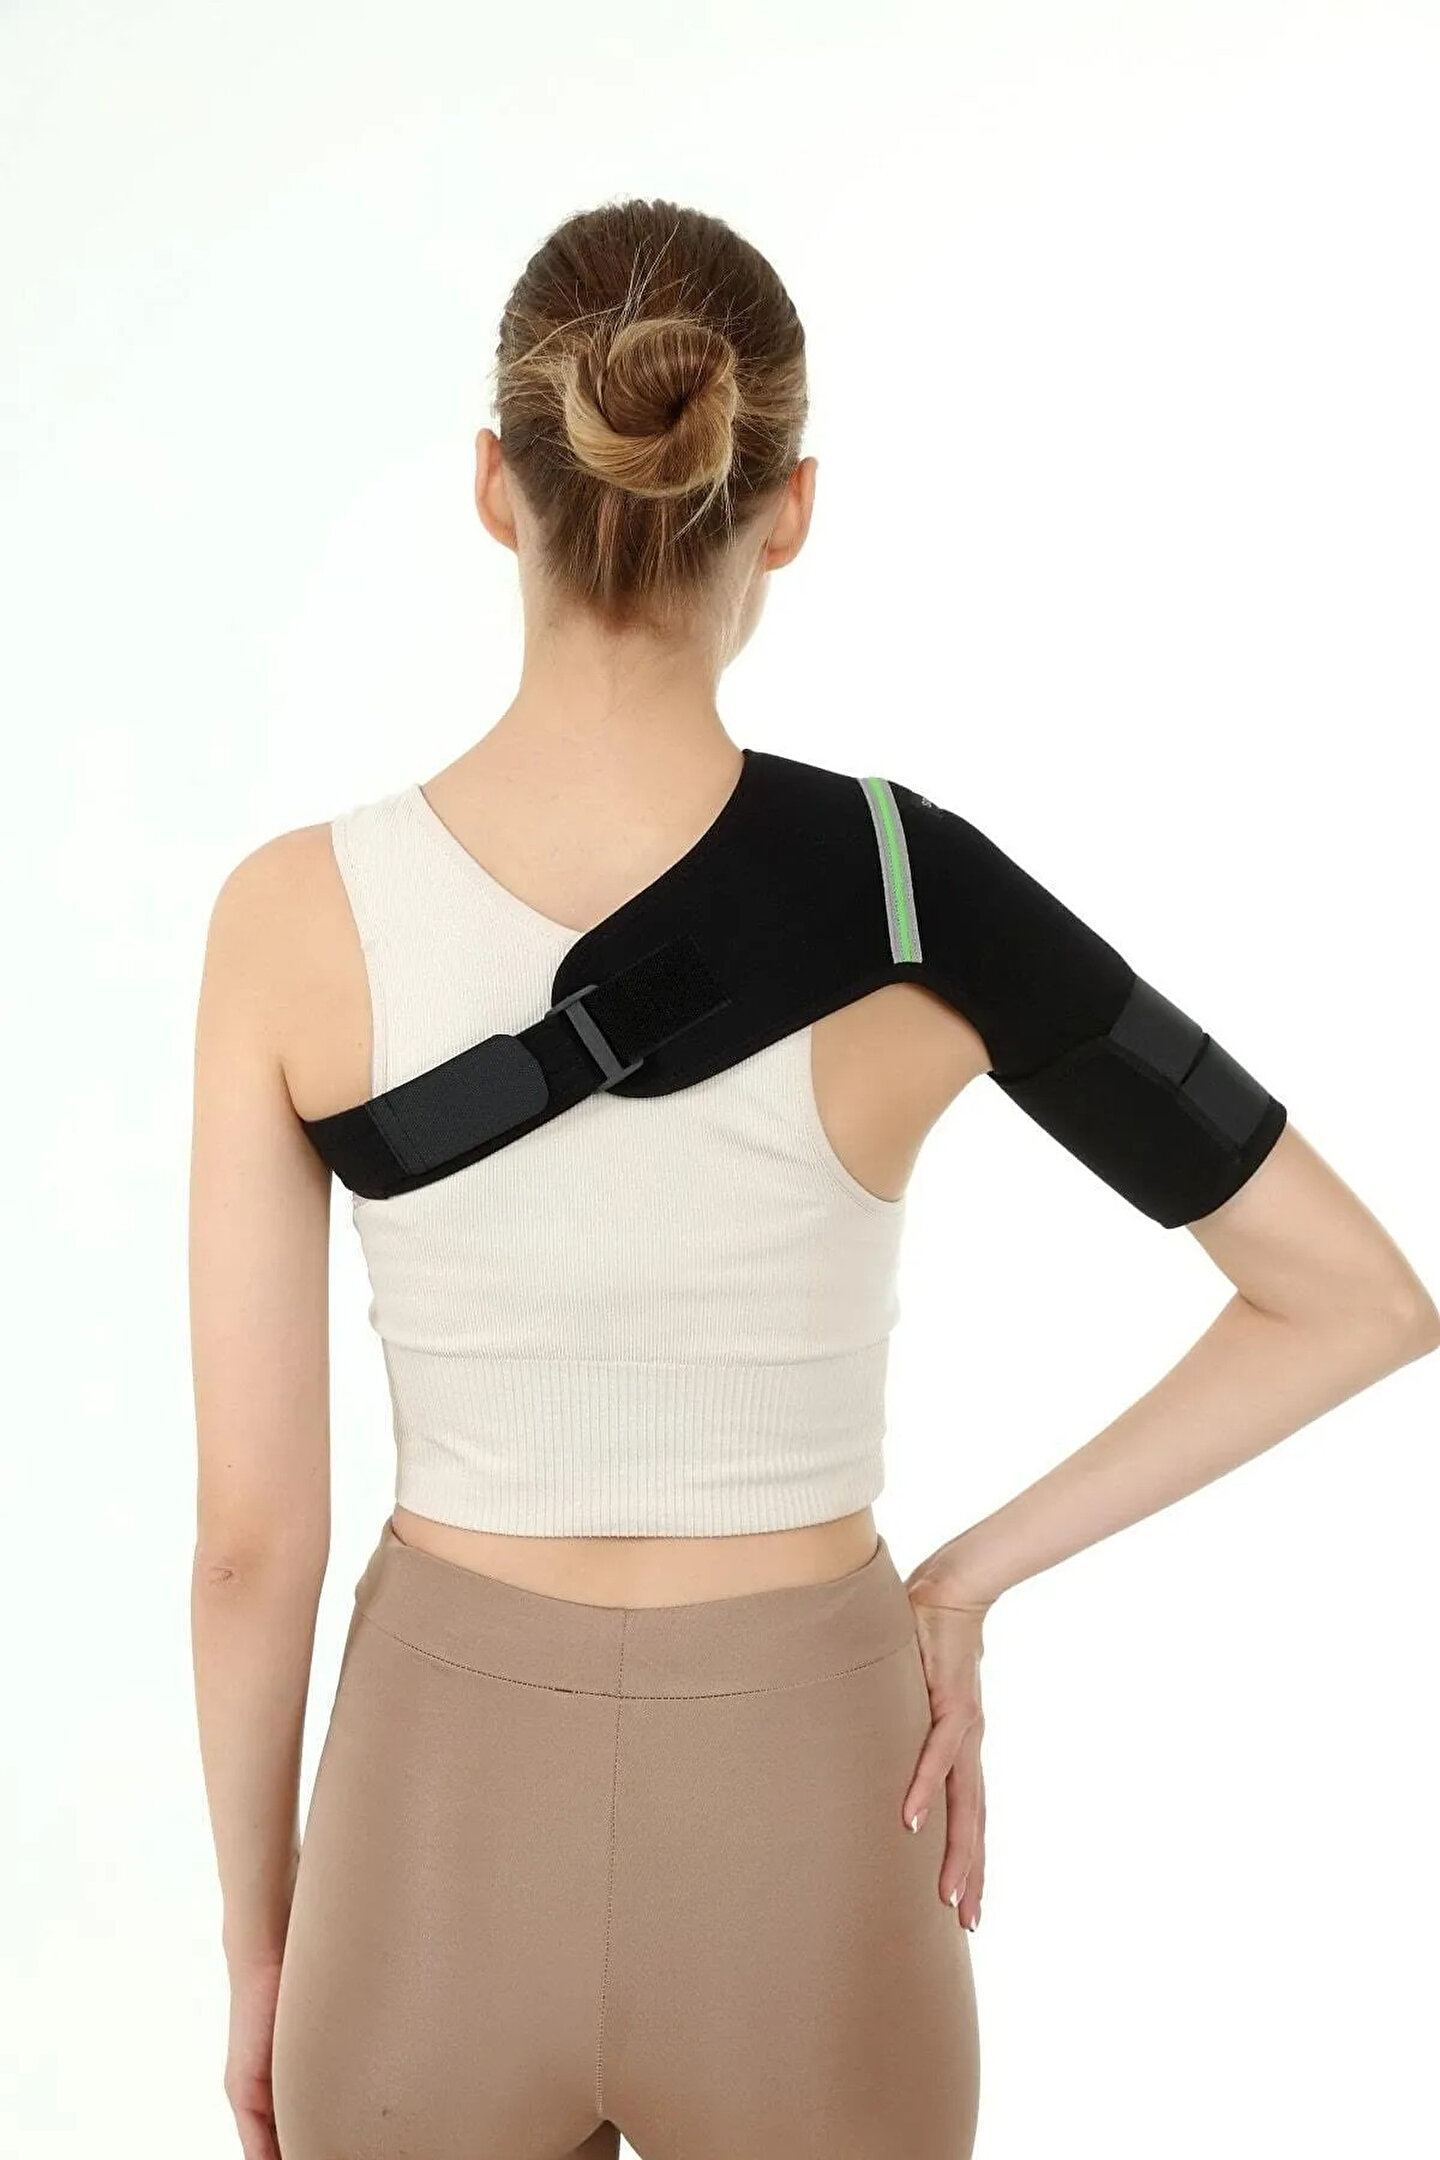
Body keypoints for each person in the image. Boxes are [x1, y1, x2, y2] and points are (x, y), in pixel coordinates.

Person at [188, 197, 1439, 2160]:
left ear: (498, 491)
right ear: (786, 512)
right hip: (808, 1791)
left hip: (429, 1818)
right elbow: (1354, 1299)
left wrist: (268, 1946)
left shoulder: (291, 921)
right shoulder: (913, 894)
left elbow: (252, 1545)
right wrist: (962, 1582)